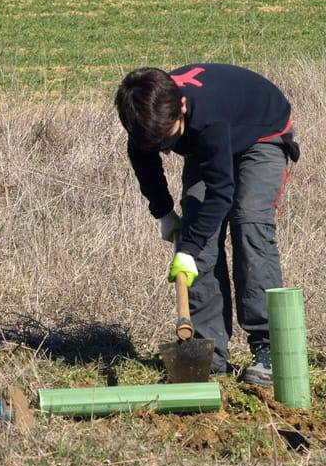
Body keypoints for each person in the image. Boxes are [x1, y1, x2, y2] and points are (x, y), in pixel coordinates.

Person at [114, 64, 299, 385]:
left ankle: (269, 348)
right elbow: (144, 160)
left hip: (262, 133)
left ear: (182, 108)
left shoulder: (206, 116)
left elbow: (221, 192)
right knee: (197, 238)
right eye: (155, 143)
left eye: (167, 139)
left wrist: (186, 248)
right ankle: (209, 354)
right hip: (209, 144)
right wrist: (164, 213)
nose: (164, 148)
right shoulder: (146, 116)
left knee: (249, 223)